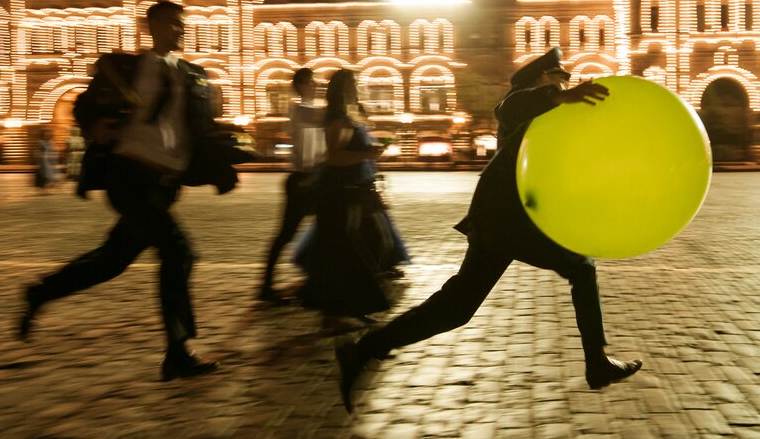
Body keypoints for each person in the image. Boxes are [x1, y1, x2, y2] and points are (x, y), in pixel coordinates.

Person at [335, 47, 642, 412]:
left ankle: (362, 350)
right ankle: (597, 363)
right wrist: (558, 96)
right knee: (581, 268)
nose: (567, 84)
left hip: (503, 219)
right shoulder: (524, 103)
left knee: (456, 308)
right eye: (560, 78)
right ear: (543, 79)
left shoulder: (552, 113)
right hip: (507, 218)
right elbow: (508, 107)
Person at [18, 1, 250, 381]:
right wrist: (94, 127)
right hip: (128, 176)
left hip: (165, 183)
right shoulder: (124, 68)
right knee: (179, 252)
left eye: (182, 23)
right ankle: (177, 352)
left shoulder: (193, 75)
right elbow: (84, 106)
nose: (179, 29)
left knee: (113, 261)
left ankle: (41, 293)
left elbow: (201, 129)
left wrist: (223, 162)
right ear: (150, 25)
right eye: (172, 23)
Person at [296, 69, 397, 322]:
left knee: (366, 243)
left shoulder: (351, 116)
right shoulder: (339, 120)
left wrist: (370, 153)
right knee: (358, 245)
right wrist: (367, 154)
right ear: (344, 90)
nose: (359, 88)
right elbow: (334, 157)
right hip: (341, 192)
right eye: (354, 84)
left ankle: (342, 306)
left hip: (358, 188)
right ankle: (343, 306)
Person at [258, 67, 324, 302]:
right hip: (302, 179)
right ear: (301, 86)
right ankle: (266, 285)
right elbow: (315, 119)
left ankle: (315, 279)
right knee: (287, 234)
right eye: (311, 82)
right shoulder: (298, 110)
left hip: (315, 178)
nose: (315, 86)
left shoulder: (313, 109)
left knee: (323, 230)